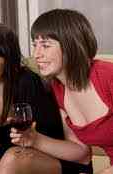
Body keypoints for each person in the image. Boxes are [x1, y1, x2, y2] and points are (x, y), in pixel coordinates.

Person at [0, 22, 92, 174]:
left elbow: (43, 134)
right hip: (20, 160)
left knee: (12, 157)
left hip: (59, 161)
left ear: (8, 62)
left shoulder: (28, 83)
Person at [28, 8, 113, 174]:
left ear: (70, 45)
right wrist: (33, 139)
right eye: (34, 45)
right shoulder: (57, 89)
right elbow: (79, 151)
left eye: (45, 45)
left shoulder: (107, 76)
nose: (36, 54)